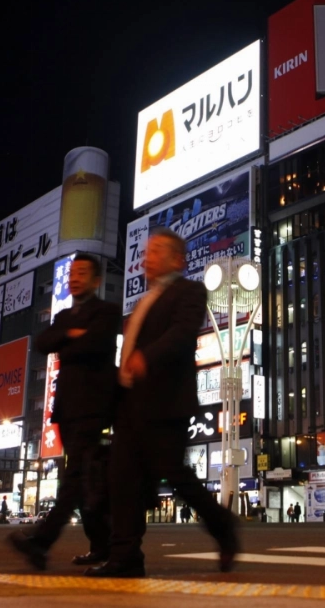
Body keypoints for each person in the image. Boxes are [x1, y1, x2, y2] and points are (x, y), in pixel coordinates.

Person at [90, 229, 239, 578]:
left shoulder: (189, 291)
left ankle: (223, 525)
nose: (147, 257)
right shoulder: (145, 299)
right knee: (122, 478)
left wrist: (146, 358)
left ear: (177, 259)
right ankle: (125, 556)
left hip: (165, 399)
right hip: (130, 403)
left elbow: (183, 333)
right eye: (147, 251)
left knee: (176, 475)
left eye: (156, 251)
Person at [8, 253, 120, 571]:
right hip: (67, 407)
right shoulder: (63, 318)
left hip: (94, 406)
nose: (74, 277)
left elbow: (95, 344)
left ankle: (41, 541)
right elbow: (43, 342)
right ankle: (103, 545)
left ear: (96, 280)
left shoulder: (107, 312)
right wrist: (72, 336)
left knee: (75, 478)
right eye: (72, 272)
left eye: (82, 272)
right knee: (85, 481)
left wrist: (70, 340)